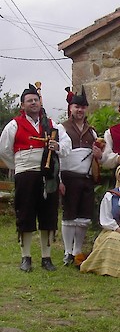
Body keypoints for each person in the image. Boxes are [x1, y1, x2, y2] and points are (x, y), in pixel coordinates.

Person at [0, 83, 71, 272]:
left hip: (48, 176)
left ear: (40, 102)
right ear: (22, 105)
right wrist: (20, 165)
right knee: (25, 215)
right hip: (25, 176)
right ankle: (26, 257)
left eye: (36, 100)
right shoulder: (14, 125)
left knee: (48, 215)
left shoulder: (52, 124)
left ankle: (46, 258)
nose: (33, 103)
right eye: (29, 100)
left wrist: (58, 148)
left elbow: (67, 143)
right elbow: (4, 150)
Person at [58, 86, 103, 266]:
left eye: (83, 107)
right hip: (69, 176)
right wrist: (59, 180)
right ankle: (67, 251)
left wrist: (99, 154)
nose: (80, 110)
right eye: (77, 107)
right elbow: (58, 156)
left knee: (83, 217)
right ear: (71, 108)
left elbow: (99, 156)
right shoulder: (62, 129)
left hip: (86, 178)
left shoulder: (92, 132)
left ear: (86, 109)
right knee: (69, 215)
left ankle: (77, 251)